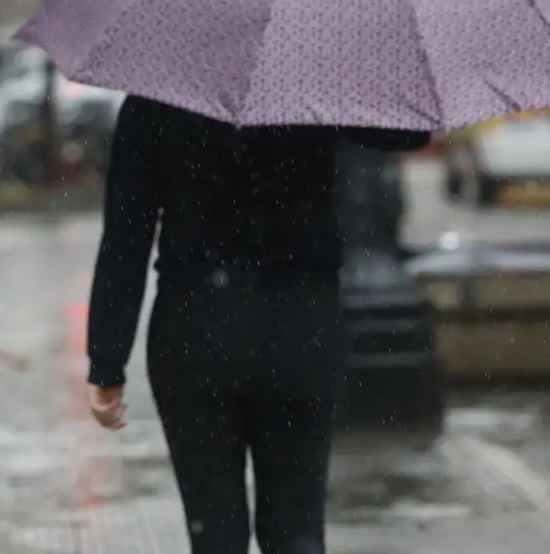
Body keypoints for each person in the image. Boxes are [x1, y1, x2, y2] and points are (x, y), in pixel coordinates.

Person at [86, 96, 429, 554]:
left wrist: (107, 362)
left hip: (196, 329)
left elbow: (126, 238)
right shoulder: (310, 87)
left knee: (215, 531)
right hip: (298, 327)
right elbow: (408, 132)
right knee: (297, 530)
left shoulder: (157, 99)